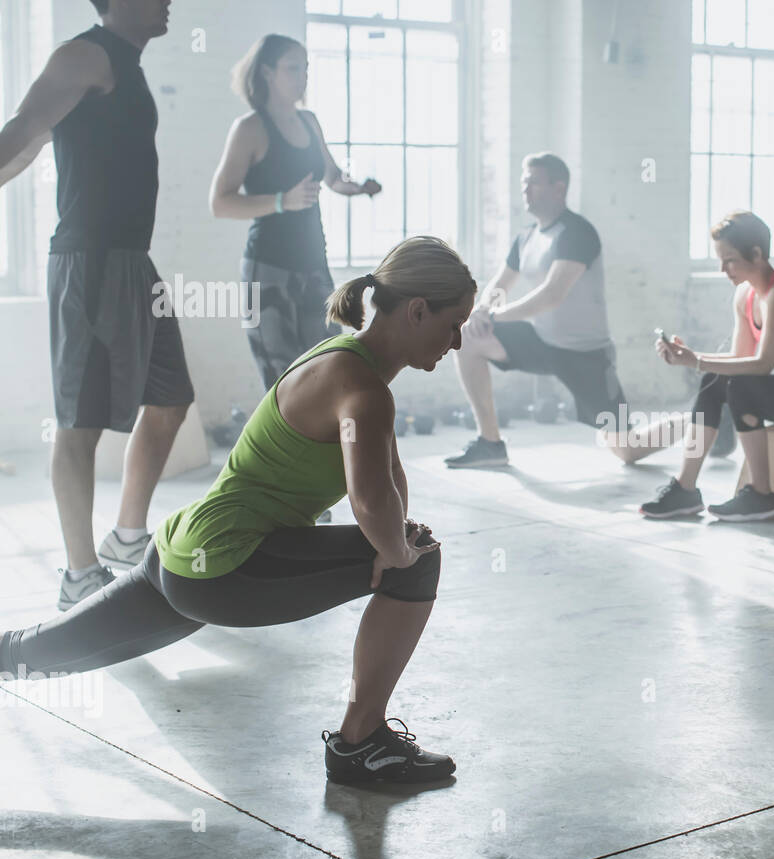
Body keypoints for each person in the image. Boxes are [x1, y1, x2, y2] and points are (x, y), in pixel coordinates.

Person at [1, 237, 475, 785]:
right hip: (227, 564)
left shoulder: (349, 364)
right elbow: (368, 501)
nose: (458, 341)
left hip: (182, 553)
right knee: (420, 561)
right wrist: (395, 556)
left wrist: (392, 544)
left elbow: (390, 481)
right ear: (417, 311)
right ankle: (360, 744)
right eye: (454, 323)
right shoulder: (363, 388)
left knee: (36, 651)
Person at [0, 0, 194, 610]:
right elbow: (26, 129)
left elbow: (36, 140)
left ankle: (127, 539)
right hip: (89, 263)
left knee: (170, 398)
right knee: (78, 424)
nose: (169, 2)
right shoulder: (85, 54)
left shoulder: (127, 63)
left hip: (134, 262)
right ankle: (81, 575)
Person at [639, 211, 774, 521]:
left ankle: (761, 495)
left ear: (756, 254)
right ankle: (685, 488)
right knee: (716, 379)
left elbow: (761, 365)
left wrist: (696, 361)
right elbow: (739, 356)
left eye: (729, 259)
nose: (722, 268)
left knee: (742, 385)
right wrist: (689, 356)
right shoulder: (744, 294)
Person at [210, 33, 381, 392]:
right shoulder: (249, 128)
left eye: (305, 68)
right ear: (268, 73)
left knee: (327, 368)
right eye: (293, 68)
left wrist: (357, 187)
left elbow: (332, 177)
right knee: (283, 382)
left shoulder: (309, 121)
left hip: (313, 264)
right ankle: (277, 449)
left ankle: (321, 447)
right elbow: (220, 202)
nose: (303, 76)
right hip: (268, 269)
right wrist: (280, 202)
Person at [445, 152, 628, 468]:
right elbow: (500, 285)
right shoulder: (526, 237)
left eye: (533, 183)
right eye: (523, 183)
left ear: (559, 188)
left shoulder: (576, 232)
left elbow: (551, 295)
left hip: (584, 353)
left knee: (628, 449)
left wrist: (494, 316)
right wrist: (481, 311)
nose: (525, 191)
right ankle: (491, 443)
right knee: (467, 338)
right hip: (542, 341)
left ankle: (692, 422)